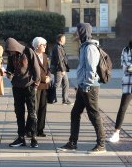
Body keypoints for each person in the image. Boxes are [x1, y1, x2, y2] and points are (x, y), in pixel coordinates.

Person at [58, 23, 106, 154]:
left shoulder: (90, 47)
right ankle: (72, 143)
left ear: (83, 32)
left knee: (93, 114)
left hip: (89, 86)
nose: (76, 34)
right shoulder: (84, 46)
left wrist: (86, 84)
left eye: (78, 31)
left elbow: (91, 68)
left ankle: (101, 144)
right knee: (75, 113)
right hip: (83, 85)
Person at [5, 37, 41, 148]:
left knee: (32, 112)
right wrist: (9, 74)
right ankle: (21, 137)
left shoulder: (28, 51)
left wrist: (36, 82)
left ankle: (34, 137)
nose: (10, 53)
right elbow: (9, 68)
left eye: (11, 50)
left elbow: (36, 68)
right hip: (17, 87)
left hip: (29, 86)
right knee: (19, 112)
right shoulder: (12, 56)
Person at [33, 37, 51, 137]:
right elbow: (35, 71)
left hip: (45, 85)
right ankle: (32, 129)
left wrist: (49, 76)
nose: (45, 47)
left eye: (45, 45)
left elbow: (48, 68)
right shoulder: (33, 56)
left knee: (43, 108)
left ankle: (40, 129)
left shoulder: (45, 56)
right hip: (37, 85)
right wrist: (44, 78)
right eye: (43, 45)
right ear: (37, 46)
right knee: (34, 108)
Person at [50, 34, 71, 105]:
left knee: (66, 83)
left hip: (61, 68)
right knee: (57, 84)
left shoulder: (60, 46)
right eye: (64, 39)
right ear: (61, 39)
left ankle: (65, 100)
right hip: (58, 68)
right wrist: (62, 70)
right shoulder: (57, 47)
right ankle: (51, 98)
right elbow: (59, 59)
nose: (65, 40)